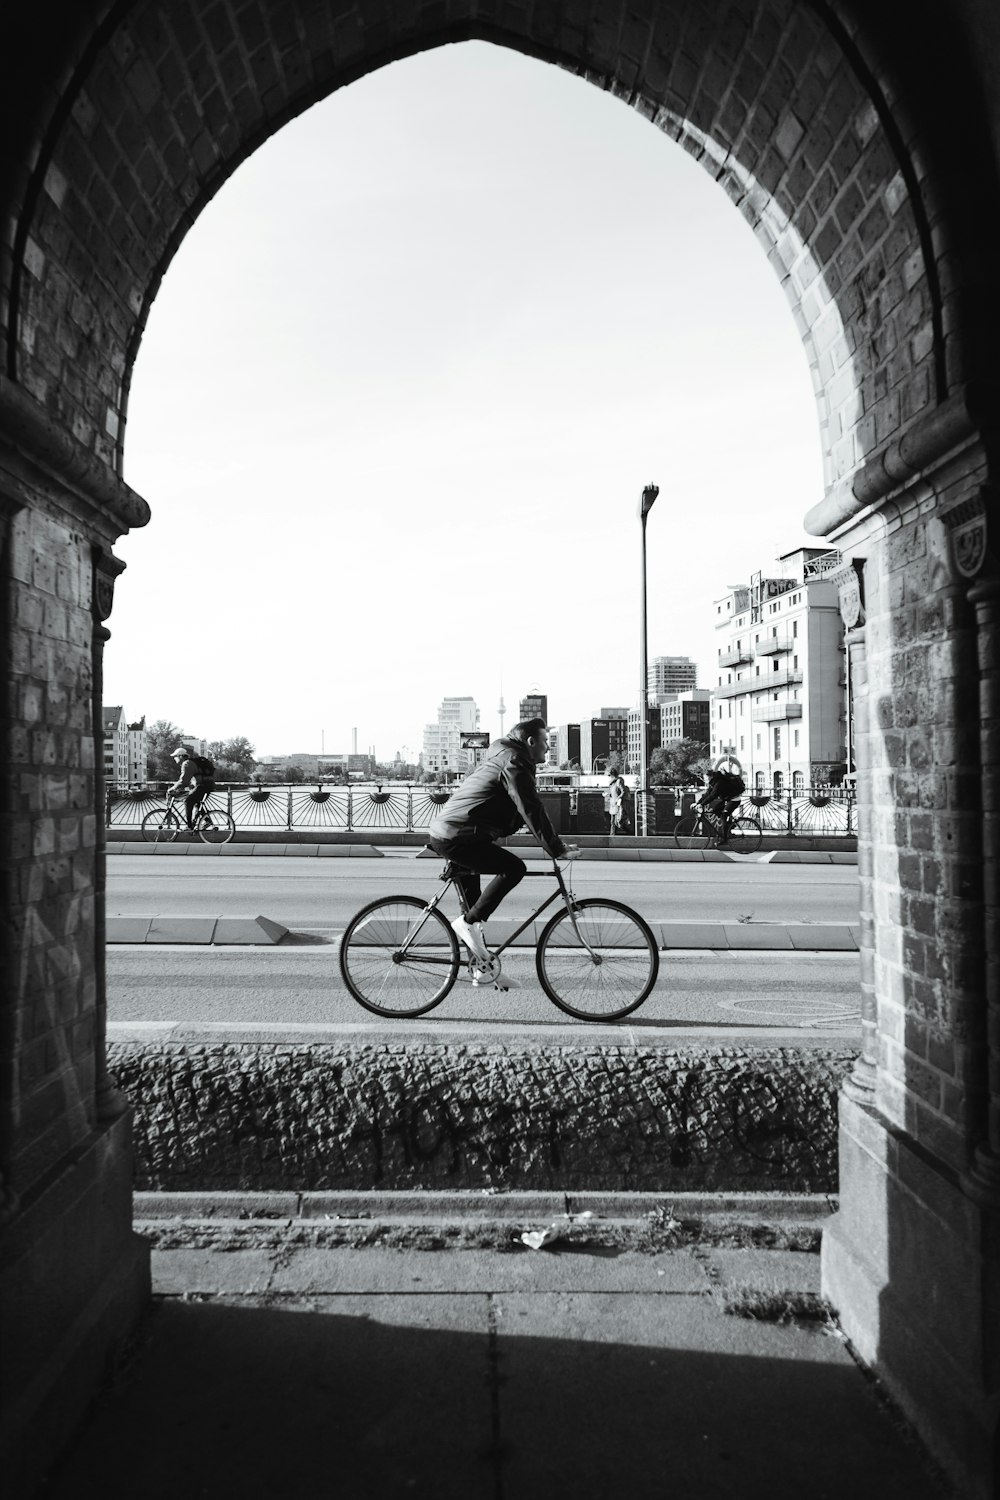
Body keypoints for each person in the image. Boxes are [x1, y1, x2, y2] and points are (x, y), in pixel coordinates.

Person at [427, 718, 579, 963]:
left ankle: (479, 966)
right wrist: (556, 848)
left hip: (456, 833)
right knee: (513, 869)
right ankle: (468, 925)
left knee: (473, 908)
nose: (548, 748)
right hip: (458, 837)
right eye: (545, 742)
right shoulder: (515, 762)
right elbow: (531, 809)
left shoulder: (507, 757)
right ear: (531, 742)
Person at [166, 746, 214, 830]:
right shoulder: (189, 763)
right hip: (207, 785)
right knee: (196, 802)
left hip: (203, 786)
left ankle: (189, 826)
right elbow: (188, 781)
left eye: (175, 757)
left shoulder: (187, 764)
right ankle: (207, 821)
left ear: (180, 756)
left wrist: (173, 789)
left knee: (188, 801)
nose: (174, 759)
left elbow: (183, 780)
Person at [697, 759, 745, 843]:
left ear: (710, 776)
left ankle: (724, 838)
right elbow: (707, 794)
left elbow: (713, 795)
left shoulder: (719, 783)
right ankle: (728, 825)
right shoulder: (713, 782)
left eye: (706, 778)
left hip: (734, 799)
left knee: (723, 816)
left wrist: (702, 804)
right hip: (727, 798)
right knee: (715, 810)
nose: (705, 780)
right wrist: (698, 803)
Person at [606, 770, 626, 836]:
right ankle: (612, 836)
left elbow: (623, 791)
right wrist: (607, 794)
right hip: (613, 804)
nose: (610, 777)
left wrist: (618, 798)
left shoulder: (618, 781)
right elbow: (611, 793)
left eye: (610, 775)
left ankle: (614, 836)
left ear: (613, 775)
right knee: (613, 822)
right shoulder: (612, 783)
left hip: (617, 804)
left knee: (617, 822)